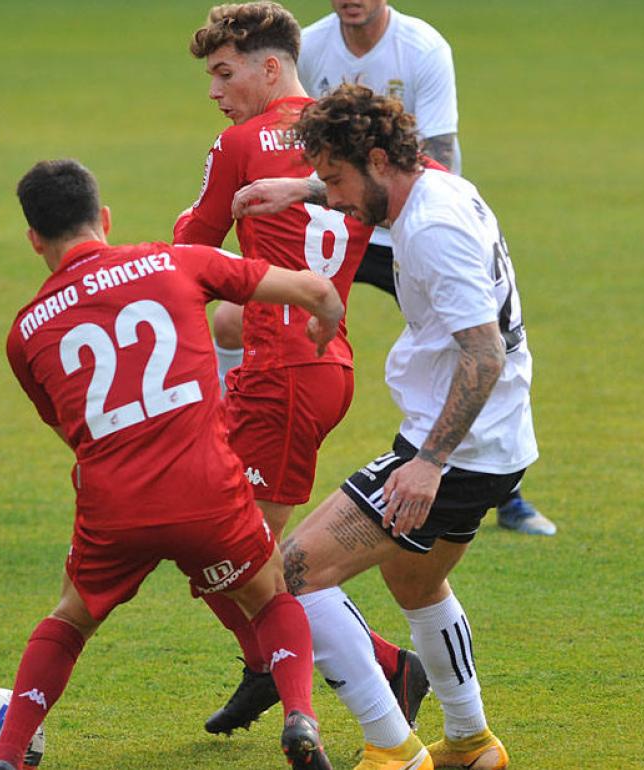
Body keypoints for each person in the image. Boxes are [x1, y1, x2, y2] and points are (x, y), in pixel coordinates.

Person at [0, 159, 340, 770]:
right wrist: (325, 320)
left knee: (70, 619)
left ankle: (7, 754)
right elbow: (314, 290)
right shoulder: (176, 262)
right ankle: (299, 716)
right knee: (269, 595)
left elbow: (74, 432)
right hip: (208, 488)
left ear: (34, 240)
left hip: (114, 503)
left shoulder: (25, 334)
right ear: (104, 218)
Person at [231, 84, 536, 769]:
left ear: (375, 159)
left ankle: (393, 747)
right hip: (498, 440)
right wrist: (301, 190)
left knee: (287, 575)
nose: (335, 199)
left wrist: (428, 463)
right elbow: (366, 192)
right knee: (416, 584)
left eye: (336, 180)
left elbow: (484, 353)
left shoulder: (432, 229)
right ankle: (471, 742)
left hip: (455, 449)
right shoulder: (435, 186)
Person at [175, 1, 428, 738]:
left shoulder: (241, 143)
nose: (215, 91)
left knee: (240, 559)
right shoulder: (344, 139)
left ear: (270, 67)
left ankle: (382, 669)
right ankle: (269, 665)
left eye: (225, 74)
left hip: (282, 374)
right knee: (204, 540)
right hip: (318, 361)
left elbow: (191, 250)